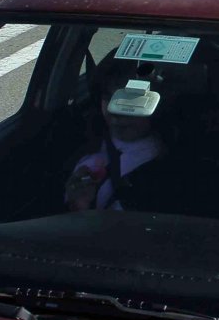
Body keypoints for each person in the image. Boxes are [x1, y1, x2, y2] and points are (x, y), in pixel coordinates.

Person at [64, 60, 168, 212]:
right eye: (108, 97)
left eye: (129, 101)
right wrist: (79, 205)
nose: (116, 111)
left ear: (155, 104)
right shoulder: (84, 143)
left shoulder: (162, 167)